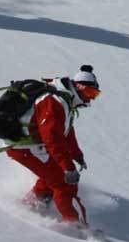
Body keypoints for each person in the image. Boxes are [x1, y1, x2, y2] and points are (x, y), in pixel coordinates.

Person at [6, 65, 101, 227]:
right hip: (23, 146)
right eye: (90, 93)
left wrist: (76, 155)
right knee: (64, 183)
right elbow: (52, 138)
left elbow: (66, 131)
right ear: (79, 88)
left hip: (30, 144)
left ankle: (35, 201)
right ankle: (77, 226)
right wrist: (68, 167)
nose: (91, 99)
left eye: (95, 95)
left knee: (52, 174)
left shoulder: (65, 101)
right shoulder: (54, 101)